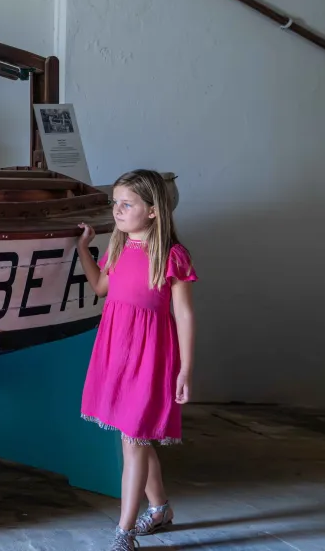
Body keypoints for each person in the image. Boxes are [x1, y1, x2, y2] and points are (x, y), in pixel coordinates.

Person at [75, 169, 197, 551]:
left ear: (154, 210)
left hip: (150, 357)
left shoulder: (172, 256)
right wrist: (83, 250)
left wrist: (186, 370)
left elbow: (185, 315)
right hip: (117, 352)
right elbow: (100, 288)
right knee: (136, 439)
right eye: (115, 203)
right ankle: (159, 507)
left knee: (133, 441)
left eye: (127, 204)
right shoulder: (119, 247)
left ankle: (123, 532)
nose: (117, 210)